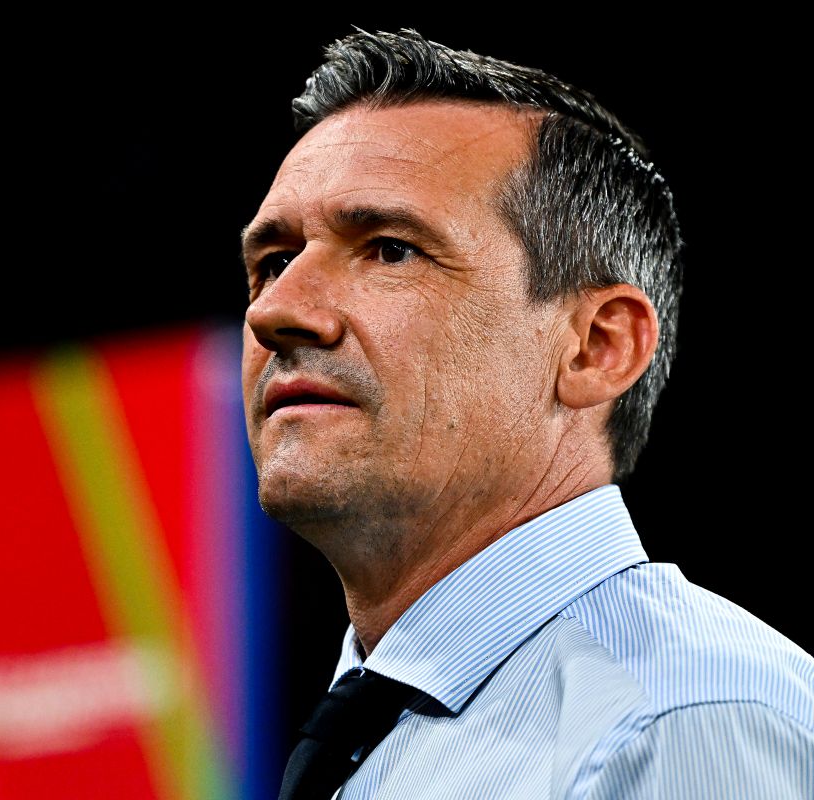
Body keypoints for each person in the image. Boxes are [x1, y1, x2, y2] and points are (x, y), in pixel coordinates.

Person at [239, 27, 814, 799]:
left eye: (389, 249)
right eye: (273, 261)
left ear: (597, 347)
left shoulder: (678, 724)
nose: (278, 311)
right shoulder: (376, 732)